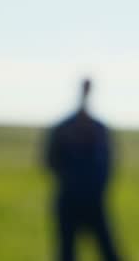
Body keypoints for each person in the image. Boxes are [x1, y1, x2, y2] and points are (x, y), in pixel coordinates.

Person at [44, 78, 122, 261]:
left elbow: (108, 163)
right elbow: (50, 161)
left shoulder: (99, 129)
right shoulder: (64, 128)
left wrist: (97, 186)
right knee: (66, 252)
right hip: (69, 199)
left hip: (93, 200)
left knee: (109, 251)